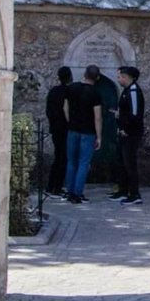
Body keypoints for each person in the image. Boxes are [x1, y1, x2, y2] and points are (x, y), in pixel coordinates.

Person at [62, 65, 102, 203]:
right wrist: (99, 136)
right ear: (97, 77)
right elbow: (97, 117)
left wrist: (70, 122)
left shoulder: (71, 88)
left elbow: (65, 107)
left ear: (84, 74)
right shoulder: (95, 93)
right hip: (88, 132)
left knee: (71, 161)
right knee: (83, 163)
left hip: (73, 130)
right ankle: (77, 194)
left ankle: (69, 191)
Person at [112, 65, 145, 205]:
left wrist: (126, 128)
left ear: (126, 77)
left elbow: (135, 114)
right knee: (122, 163)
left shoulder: (133, 91)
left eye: (120, 76)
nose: (118, 79)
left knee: (129, 164)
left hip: (131, 134)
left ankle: (135, 194)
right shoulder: (126, 91)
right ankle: (123, 190)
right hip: (124, 133)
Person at [44, 66, 72, 198]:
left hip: (55, 128)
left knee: (58, 157)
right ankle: (57, 187)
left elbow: (48, 110)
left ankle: (51, 186)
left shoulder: (53, 91)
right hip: (65, 129)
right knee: (62, 158)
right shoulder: (68, 92)